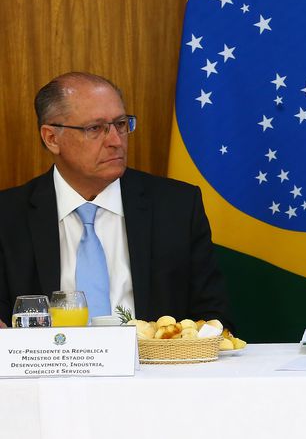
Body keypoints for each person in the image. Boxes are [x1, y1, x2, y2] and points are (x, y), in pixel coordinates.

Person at [0, 72, 231, 327]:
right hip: (49, 364)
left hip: (156, 363)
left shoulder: (177, 206)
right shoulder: (8, 216)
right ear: (52, 138)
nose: (115, 141)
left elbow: (213, 317)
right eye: (95, 128)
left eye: (121, 124)